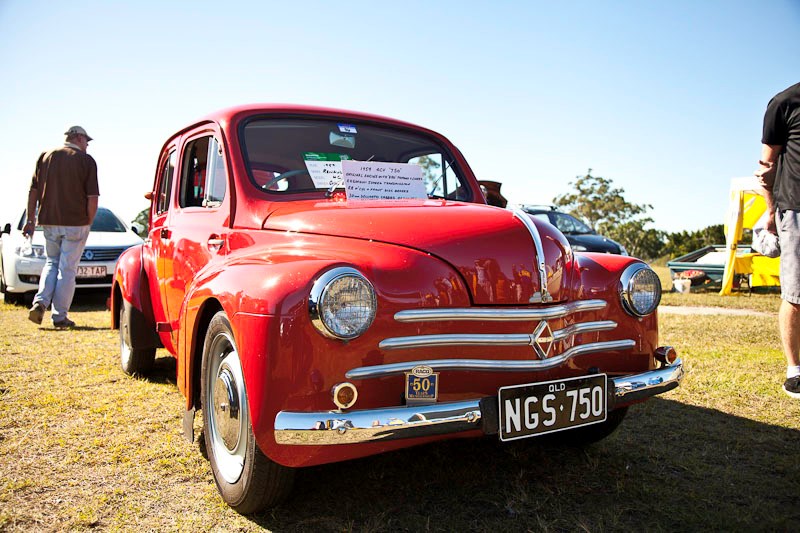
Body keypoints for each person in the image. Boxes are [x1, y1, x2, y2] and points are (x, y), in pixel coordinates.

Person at [24, 126, 99, 329]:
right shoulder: (86, 161)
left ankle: (40, 302)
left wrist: (30, 220)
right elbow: (92, 198)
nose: (87, 145)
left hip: (48, 221)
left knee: (51, 263)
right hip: (76, 222)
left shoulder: (45, 156)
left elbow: (33, 191)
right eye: (86, 141)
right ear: (78, 138)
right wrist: (89, 221)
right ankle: (59, 317)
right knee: (67, 269)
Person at [754, 82, 800, 398]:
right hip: (796, 207)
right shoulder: (785, 103)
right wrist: (770, 211)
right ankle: (794, 371)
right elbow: (766, 169)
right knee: (796, 293)